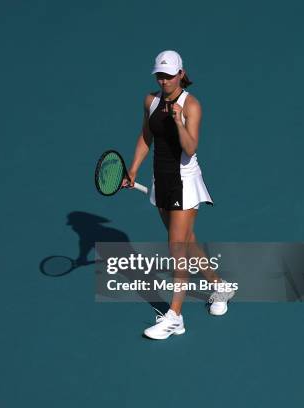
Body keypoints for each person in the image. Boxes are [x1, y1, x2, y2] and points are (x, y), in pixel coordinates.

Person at [124, 50, 234, 340]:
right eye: (159, 75)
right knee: (187, 240)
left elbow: (190, 148)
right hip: (161, 180)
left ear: (181, 74)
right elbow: (146, 137)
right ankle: (219, 285)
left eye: (169, 75)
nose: (164, 81)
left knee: (176, 249)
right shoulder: (151, 101)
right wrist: (133, 168)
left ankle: (175, 316)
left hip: (184, 183)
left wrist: (177, 121)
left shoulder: (191, 105)